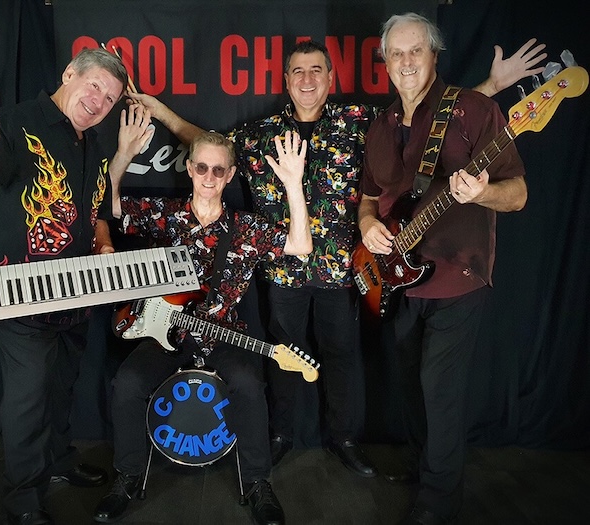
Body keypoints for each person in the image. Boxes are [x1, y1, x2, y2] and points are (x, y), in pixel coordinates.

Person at [125, 34, 546, 477]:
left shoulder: (360, 122)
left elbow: (424, 121)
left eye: (316, 70)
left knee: (342, 355)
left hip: (344, 270)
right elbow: (207, 145)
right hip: (283, 270)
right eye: (298, 71)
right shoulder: (260, 134)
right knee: (283, 353)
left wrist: (491, 87)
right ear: (286, 80)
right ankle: (282, 435)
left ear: (330, 78)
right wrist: (162, 112)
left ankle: (344, 439)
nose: (307, 79)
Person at [0, 48, 135, 525]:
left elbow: (94, 212)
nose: (99, 102)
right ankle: (23, 498)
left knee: (61, 389)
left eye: (110, 98)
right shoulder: (14, 123)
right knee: (27, 401)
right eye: (94, 86)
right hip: (21, 295)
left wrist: (104, 242)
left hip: (76, 296)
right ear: (69, 74)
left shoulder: (94, 144)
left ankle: (57, 461)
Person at [357, 13, 528, 525]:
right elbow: (369, 197)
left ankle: (438, 501)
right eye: (396, 53)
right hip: (399, 279)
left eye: (416, 51)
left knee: (440, 388)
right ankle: (423, 464)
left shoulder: (474, 109)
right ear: (385, 62)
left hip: (458, 274)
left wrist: (483, 193)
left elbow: (517, 194)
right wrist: (367, 224)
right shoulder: (382, 125)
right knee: (412, 387)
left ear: (434, 55)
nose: (406, 62)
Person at [93, 129, 311, 525]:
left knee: (249, 385)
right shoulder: (166, 215)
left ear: (230, 175)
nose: (209, 177)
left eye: (218, 170)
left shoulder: (246, 228)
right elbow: (109, 206)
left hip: (224, 334)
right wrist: (123, 154)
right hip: (164, 333)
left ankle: (257, 483)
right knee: (127, 383)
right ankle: (127, 476)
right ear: (190, 169)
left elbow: (301, 246)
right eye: (202, 167)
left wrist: (294, 184)